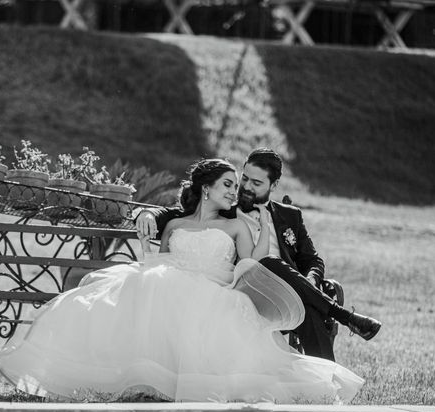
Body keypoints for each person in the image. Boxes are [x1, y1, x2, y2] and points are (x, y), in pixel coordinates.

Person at [0, 158, 364, 403]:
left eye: (240, 186)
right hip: (169, 278)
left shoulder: (237, 225)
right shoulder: (175, 222)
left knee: (197, 304)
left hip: (220, 286)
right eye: (229, 185)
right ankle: (140, 379)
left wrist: (263, 225)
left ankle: (335, 322)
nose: (236, 192)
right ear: (207, 189)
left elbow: (253, 263)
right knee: (137, 292)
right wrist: (149, 222)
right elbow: (160, 257)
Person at [136, 148, 381, 362]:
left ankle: (328, 384)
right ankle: (344, 316)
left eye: (256, 183)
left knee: (307, 306)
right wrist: (148, 215)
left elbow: (313, 260)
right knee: (267, 262)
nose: (245, 188)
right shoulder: (224, 207)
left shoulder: (290, 216)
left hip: (289, 290)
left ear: (273, 186)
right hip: (243, 291)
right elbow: (176, 216)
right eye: (245, 179)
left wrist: (311, 281)